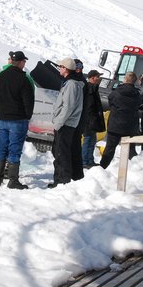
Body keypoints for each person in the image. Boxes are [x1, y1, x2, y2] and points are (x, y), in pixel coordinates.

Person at [0, 50, 35, 189]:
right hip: (18, 120)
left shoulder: (0, 76)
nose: (24, 63)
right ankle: (13, 180)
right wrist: (27, 116)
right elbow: (29, 101)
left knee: (1, 146)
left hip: (2, 118)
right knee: (14, 149)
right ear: (20, 62)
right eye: (24, 61)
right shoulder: (24, 79)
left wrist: (2, 109)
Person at [48, 57, 84, 188]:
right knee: (59, 151)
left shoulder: (71, 84)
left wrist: (58, 123)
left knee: (61, 153)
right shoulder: (69, 83)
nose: (59, 68)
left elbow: (68, 106)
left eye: (61, 66)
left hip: (65, 124)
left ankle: (62, 181)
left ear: (66, 69)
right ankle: (60, 179)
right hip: (66, 123)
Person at [99, 71, 142, 169]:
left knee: (110, 148)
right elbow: (139, 104)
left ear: (125, 79)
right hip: (130, 126)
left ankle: (102, 167)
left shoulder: (117, 92)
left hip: (115, 125)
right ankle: (134, 168)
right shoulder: (137, 94)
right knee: (130, 149)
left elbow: (111, 101)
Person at [80, 69, 106, 167]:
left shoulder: (94, 88)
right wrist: (90, 118)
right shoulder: (88, 88)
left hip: (93, 119)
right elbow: (88, 106)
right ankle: (84, 161)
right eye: (97, 77)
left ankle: (90, 160)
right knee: (88, 139)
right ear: (92, 78)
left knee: (92, 140)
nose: (99, 79)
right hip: (88, 119)